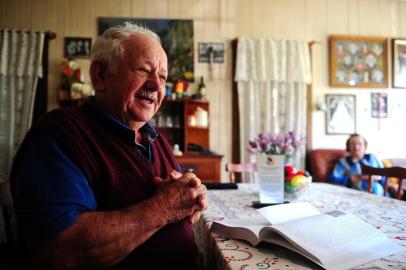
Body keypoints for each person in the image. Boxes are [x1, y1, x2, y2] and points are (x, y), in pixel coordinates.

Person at [10, 22, 208, 269]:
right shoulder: (62, 134)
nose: (157, 87)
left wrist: (191, 196)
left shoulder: (155, 138)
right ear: (100, 76)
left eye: (163, 77)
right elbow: (59, 250)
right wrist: (162, 209)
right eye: (144, 70)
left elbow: (176, 197)